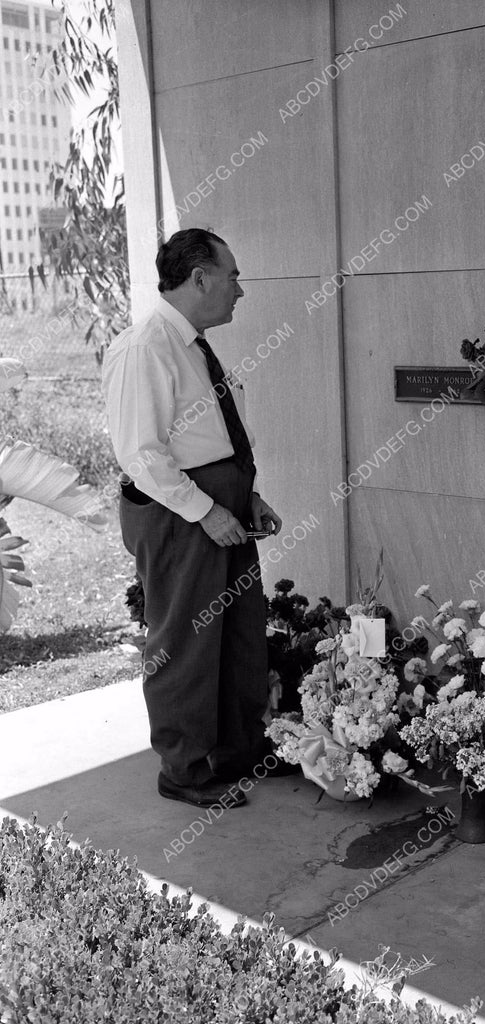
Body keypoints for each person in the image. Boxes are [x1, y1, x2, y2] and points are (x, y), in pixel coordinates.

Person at [103, 228, 283, 808]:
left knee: (237, 633)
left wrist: (247, 497)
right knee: (186, 641)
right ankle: (184, 770)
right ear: (200, 278)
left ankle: (236, 752)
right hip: (181, 513)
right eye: (233, 277)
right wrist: (207, 511)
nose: (240, 290)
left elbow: (208, 435)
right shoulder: (145, 348)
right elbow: (141, 454)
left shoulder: (191, 344)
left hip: (219, 504)